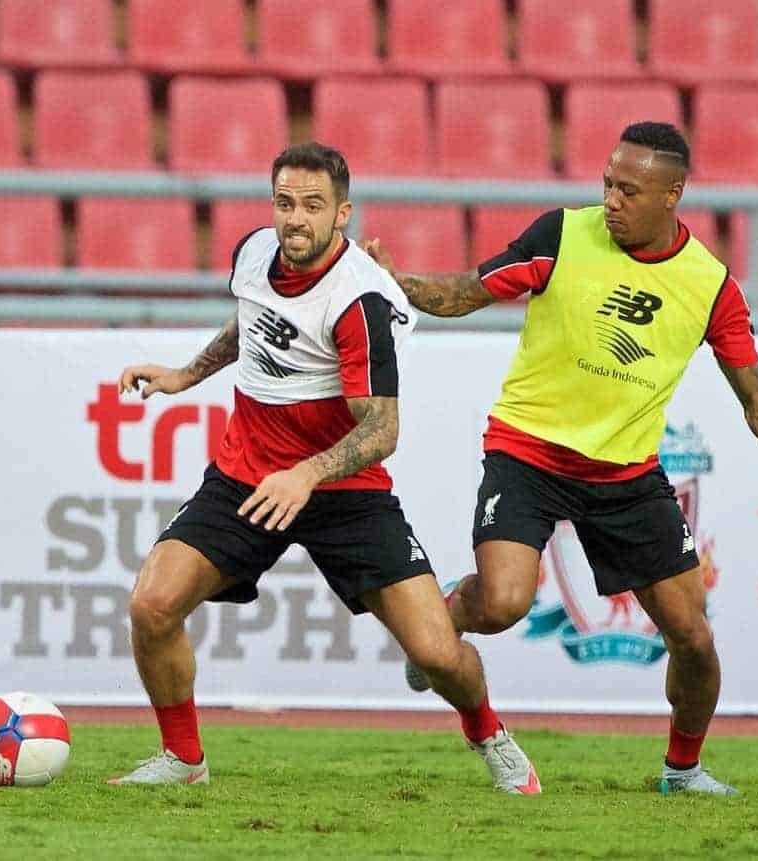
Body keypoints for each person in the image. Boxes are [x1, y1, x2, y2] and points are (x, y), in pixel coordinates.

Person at [365, 122, 758, 796]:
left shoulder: (709, 286)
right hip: (528, 455)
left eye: (629, 189)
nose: (612, 200)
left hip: (626, 479)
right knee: (506, 601)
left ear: (672, 195)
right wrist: (397, 281)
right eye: (607, 183)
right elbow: (469, 291)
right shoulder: (563, 235)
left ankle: (681, 770)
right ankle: (447, 617)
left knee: (694, 640)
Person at [108, 143, 539, 794]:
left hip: (346, 491)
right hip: (247, 475)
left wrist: (308, 473)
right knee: (151, 605)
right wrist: (184, 374)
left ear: (343, 214)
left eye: (312, 206)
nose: (295, 219)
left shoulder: (358, 302)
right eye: (285, 203)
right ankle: (183, 758)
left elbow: (383, 428)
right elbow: (253, 325)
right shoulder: (255, 252)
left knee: (436, 653)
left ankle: (487, 731)